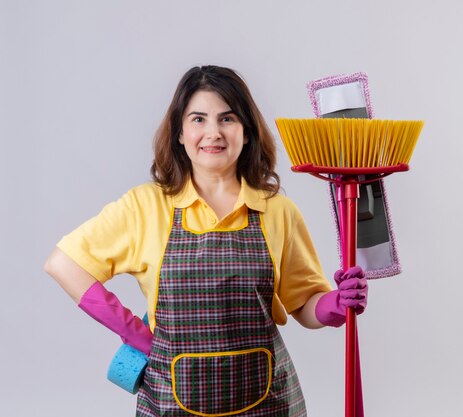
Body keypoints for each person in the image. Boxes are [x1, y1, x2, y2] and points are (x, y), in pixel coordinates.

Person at [44, 65, 368, 417]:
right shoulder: (145, 206)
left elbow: (304, 304)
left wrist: (334, 305)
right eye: (198, 119)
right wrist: (133, 332)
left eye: (227, 119)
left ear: (247, 132)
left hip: (268, 402)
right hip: (171, 403)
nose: (213, 132)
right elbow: (63, 264)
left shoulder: (277, 210)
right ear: (179, 133)